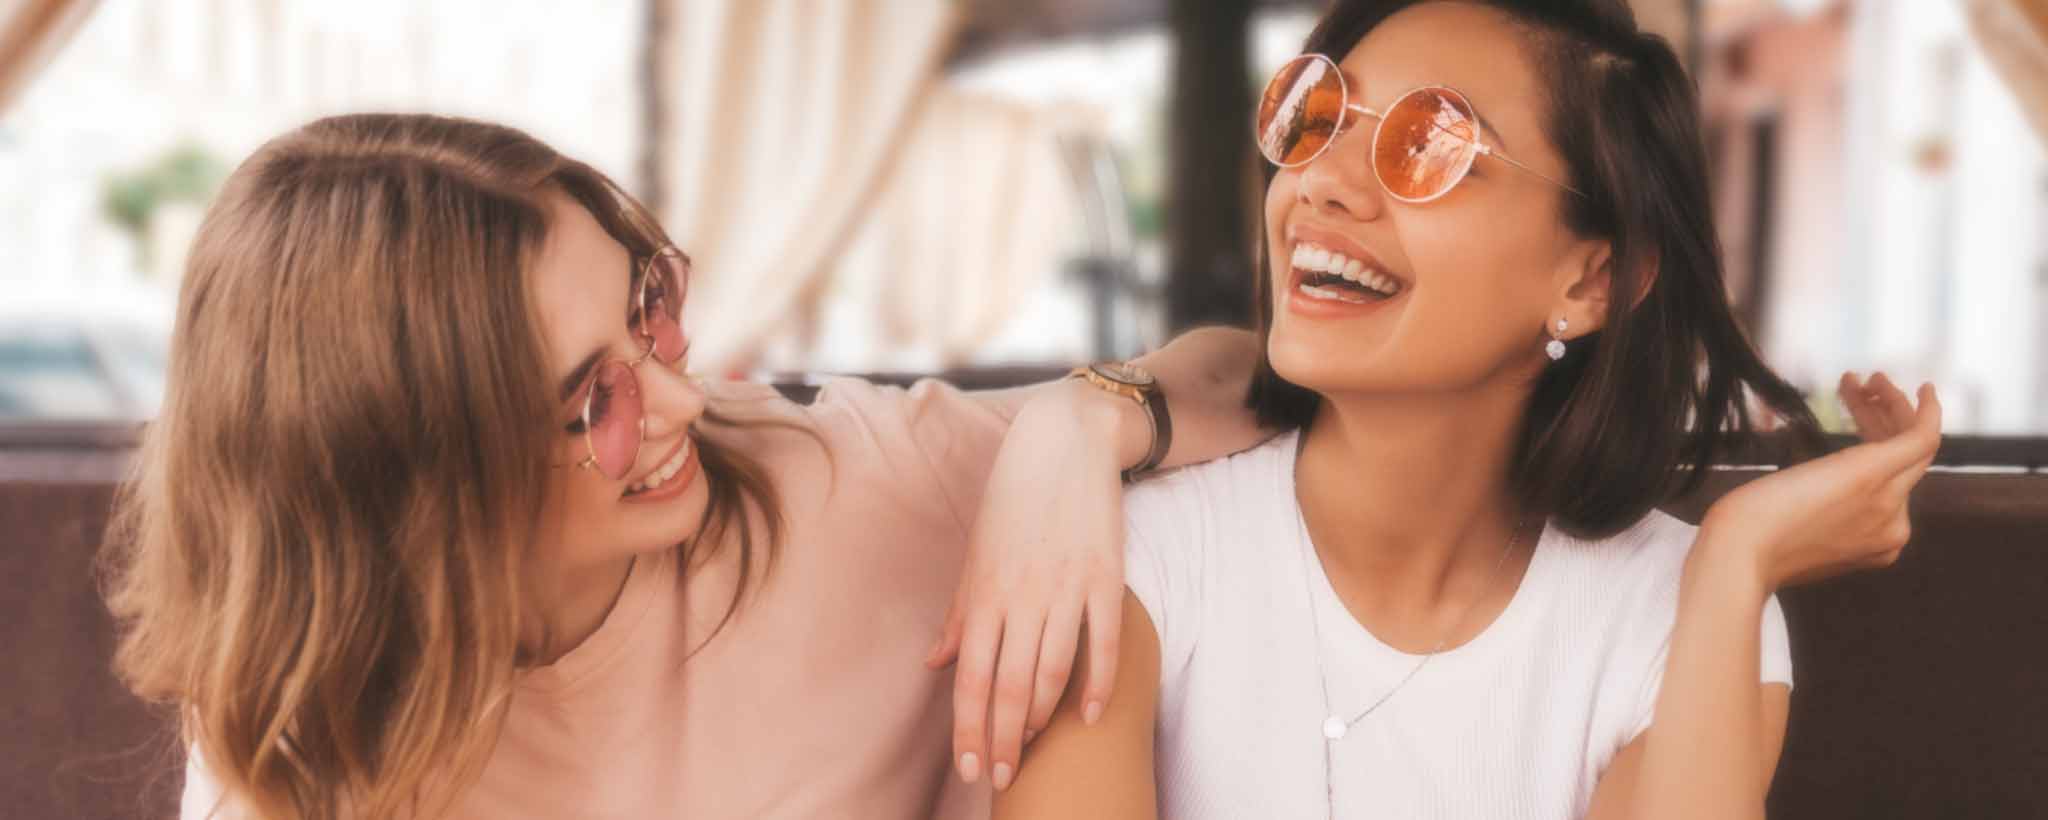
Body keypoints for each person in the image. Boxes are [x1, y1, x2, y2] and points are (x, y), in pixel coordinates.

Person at [102, 113, 1268, 819]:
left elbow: (1248, 375)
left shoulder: (847, 481)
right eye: (591, 398)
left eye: (646, 307)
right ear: (416, 483)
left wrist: (1073, 430)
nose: (678, 396)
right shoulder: (300, 702)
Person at [996, 2, 1942, 818]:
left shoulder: (1679, 617)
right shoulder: (1123, 558)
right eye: (1315, 117)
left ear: (1592, 279)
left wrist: (1736, 559)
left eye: (1429, 145)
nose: (1320, 181)